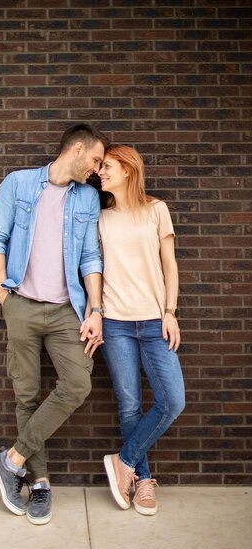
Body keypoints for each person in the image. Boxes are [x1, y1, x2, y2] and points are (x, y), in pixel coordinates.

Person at [0, 124, 108, 525]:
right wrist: (5, 297)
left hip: (64, 311)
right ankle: (39, 484)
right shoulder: (18, 184)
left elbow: (90, 256)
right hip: (20, 303)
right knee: (27, 396)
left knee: (77, 383)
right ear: (76, 149)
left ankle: (11, 459)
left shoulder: (87, 197)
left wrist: (95, 309)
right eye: (94, 161)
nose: (96, 170)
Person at [96, 145, 185, 516]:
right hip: (115, 322)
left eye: (107, 167)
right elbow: (94, 271)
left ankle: (124, 461)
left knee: (172, 401)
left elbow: (170, 265)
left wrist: (170, 311)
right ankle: (141, 480)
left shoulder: (156, 211)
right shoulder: (100, 218)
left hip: (153, 321)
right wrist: (96, 313)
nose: (100, 172)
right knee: (129, 404)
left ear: (128, 170)